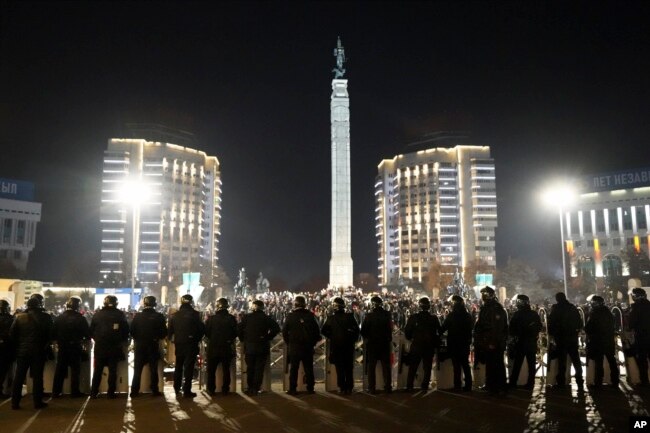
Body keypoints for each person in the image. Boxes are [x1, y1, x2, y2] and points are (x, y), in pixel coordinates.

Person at [10, 295, 53, 410]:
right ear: (39, 305)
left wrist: (19, 347)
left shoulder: (19, 317)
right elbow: (50, 335)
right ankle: (37, 402)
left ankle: (15, 402)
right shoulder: (45, 317)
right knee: (38, 377)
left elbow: (12, 335)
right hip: (38, 352)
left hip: (22, 352)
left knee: (19, 377)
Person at [89, 295, 130, 399]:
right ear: (116, 303)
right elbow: (125, 331)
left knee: (97, 370)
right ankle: (110, 393)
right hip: (114, 347)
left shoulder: (97, 314)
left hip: (100, 347)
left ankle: (93, 392)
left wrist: (98, 339)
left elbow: (91, 331)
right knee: (113, 371)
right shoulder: (120, 315)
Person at [238, 299, 280, 396]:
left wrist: (243, 339)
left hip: (249, 347)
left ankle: (250, 387)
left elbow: (239, 329)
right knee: (259, 369)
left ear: (253, 307)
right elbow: (276, 328)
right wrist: (268, 337)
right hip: (262, 346)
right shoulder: (266, 317)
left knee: (250, 368)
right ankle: (256, 388)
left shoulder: (247, 317)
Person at [282, 295, 321, 395]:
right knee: (309, 368)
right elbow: (317, 332)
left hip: (294, 346)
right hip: (307, 346)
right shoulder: (310, 315)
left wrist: (289, 342)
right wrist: (312, 343)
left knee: (294, 369)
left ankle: (293, 389)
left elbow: (284, 332)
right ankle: (310, 388)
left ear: (295, 304)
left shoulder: (290, 316)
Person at [52, 296, 90, 398]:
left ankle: (56, 391)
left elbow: (53, 333)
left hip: (62, 347)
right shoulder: (80, 318)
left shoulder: (59, 318)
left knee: (60, 370)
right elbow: (87, 334)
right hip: (75, 347)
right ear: (78, 306)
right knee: (75, 370)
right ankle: (75, 391)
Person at [130, 296, 167, 397]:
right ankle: (154, 389)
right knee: (153, 369)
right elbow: (163, 333)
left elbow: (132, 331)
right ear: (154, 304)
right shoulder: (159, 316)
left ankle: (134, 391)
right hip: (153, 345)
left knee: (137, 370)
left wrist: (138, 339)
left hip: (140, 346)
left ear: (144, 304)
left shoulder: (137, 316)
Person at [473, 286, 508, 395]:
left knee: (496, 364)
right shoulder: (487, 307)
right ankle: (491, 385)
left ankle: (498, 387)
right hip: (489, 340)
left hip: (493, 342)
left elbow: (496, 327)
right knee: (490, 364)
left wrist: (493, 342)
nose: (483, 296)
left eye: (485, 294)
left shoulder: (494, 308)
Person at [168, 294, 204, 398]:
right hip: (191, 344)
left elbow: (170, 331)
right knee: (189, 367)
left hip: (179, 344)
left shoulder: (175, 315)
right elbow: (201, 329)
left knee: (178, 366)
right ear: (191, 302)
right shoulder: (196, 314)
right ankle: (187, 390)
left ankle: (176, 388)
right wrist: (196, 339)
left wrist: (174, 339)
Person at [321, 297, 359, 394]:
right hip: (349, 347)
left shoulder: (331, 318)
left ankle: (342, 387)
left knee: (340, 368)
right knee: (349, 368)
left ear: (334, 307)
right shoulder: (350, 317)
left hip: (337, 346)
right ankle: (349, 387)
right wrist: (352, 340)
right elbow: (357, 331)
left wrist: (332, 336)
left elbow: (323, 330)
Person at [547, 292, 584, 389]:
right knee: (576, 360)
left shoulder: (556, 309)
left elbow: (551, 323)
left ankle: (561, 381)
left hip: (561, 338)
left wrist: (553, 334)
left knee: (562, 361)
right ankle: (579, 379)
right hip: (572, 338)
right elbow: (579, 323)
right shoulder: (572, 308)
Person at [404, 297, 441, 391]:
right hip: (429, 345)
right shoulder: (433, 318)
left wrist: (411, 337)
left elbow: (407, 332)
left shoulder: (414, 317)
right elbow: (439, 331)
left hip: (416, 345)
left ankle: (409, 386)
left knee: (413, 367)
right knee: (427, 367)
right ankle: (424, 386)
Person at [507, 294, 542, 390]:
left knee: (517, 364)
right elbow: (539, 327)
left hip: (521, 342)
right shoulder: (534, 314)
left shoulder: (517, 314)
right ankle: (530, 383)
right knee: (531, 364)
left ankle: (513, 382)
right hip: (531, 342)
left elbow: (511, 329)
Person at [204, 297, 237, 396]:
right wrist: (229, 339)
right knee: (226, 370)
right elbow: (235, 332)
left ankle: (211, 389)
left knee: (211, 370)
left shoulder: (211, 319)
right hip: (226, 347)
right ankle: (225, 389)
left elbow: (207, 332)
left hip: (213, 347)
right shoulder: (231, 318)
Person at [584, 295, 619, 388]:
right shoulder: (608, 313)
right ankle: (615, 380)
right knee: (612, 361)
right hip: (608, 340)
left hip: (597, 341)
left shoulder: (594, 313)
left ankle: (598, 382)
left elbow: (588, 327)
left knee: (599, 363)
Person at [360, 295, 393, 394]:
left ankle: (372, 388)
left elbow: (363, 331)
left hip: (372, 344)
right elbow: (389, 329)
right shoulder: (387, 315)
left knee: (371, 367)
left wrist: (368, 338)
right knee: (386, 367)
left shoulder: (369, 316)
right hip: (384, 344)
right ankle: (387, 387)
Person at [442, 295, 473, 391]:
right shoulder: (468, 316)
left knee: (456, 366)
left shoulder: (451, 316)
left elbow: (443, 327)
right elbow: (471, 328)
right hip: (464, 343)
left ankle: (457, 385)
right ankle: (468, 385)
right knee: (465, 364)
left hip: (454, 343)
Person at [629, 287, 650, 386]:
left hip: (642, 337)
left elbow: (631, 323)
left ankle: (644, 381)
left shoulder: (636, 308)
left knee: (642, 360)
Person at [0, 299, 15, 399]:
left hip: (5, 347)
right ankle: (6, 390)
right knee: (5, 371)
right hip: (7, 348)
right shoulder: (10, 319)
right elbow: (14, 333)